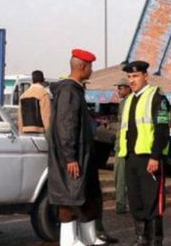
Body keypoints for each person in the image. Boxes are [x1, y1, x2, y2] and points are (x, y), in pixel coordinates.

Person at [47, 49, 109, 246]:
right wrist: (70, 157)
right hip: (73, 157)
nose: (92, 70)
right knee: (70, 197)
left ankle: (89, 237)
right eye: (91, 66)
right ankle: (69, 240)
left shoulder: (75, 90)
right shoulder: (68, 91)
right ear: (83, 67)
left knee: (85, 195)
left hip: (82, 155)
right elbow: (67, 126)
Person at [118, 61, 170, 246]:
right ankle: (141, 239)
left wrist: (155, 156)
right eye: (130, 77)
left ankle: (155, 241)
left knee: (153, 201)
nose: (132, 80)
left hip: (149, 158)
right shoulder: (129, 100)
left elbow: (162, 129)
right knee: (136, 199)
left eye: (136, 76)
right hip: (131, 157)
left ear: (145, 76)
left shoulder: (157, 97)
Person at [113, 77, 132, 214]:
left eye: (120, 88)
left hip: (123, 146)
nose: (118, 90)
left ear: (128, 88)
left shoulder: (127, 103)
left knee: (120, 177)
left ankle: (121, 205)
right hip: (122, 145)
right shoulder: (125, 102)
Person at [18, 70, 52, 134]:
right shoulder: (43, 94)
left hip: (25, 131)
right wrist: (49, 134)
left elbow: (20, 117)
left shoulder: (23, 95)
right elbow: (46, 116)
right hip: (39, 131)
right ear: (43, 80)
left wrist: (21, 132)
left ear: (32, 80)